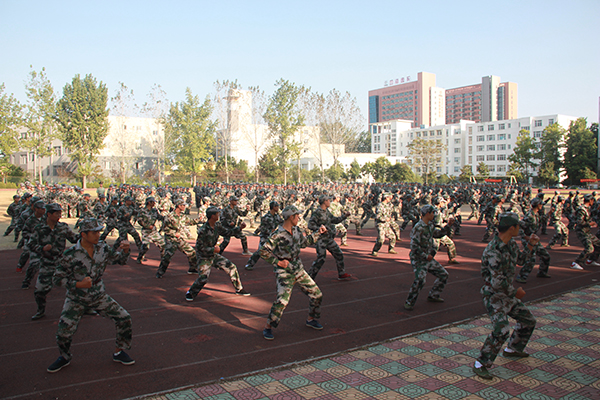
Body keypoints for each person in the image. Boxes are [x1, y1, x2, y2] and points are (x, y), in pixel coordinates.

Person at [47, 218, 134, 373]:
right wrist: (77, 284)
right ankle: (65, 357)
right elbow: (57, 279)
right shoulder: (70, 254)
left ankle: (119, 351)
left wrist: (126, 251)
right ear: (83, 234)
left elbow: (120, 260)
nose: (98, 235)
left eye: (99, 231)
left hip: (98, 295)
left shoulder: (102, 248)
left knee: (124, 318)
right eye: (94, 232)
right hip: (76, 298)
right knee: (63, 333)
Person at [473, 212, 538, 380]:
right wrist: (515, 293)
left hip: (506, 295)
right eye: (518, 226)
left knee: (528, 320)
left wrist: (531, 245)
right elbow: (496, 282)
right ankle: (481, 363)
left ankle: (513, 348)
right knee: (501, 330)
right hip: (494, 296)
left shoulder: (511, 244)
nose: (519, 229)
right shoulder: (494, 250)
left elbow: (521, 260)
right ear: (511, 228)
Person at [259, 205, 327, 340]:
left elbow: (305, 242)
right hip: (284, 271)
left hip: (298, 268)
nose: (299, 218)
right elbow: (263, 251)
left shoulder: (296, 230)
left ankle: (311, 319)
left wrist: (318, 233)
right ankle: (268, 327)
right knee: (282, 301)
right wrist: (278, 262)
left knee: (317, 294)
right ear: (291, 217)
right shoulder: (277, 234)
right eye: (297, 216)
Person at [185, 207, 250, 301]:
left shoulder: (217, 225)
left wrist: (239, 228)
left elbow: (228, 232)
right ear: (212, 216)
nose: (219, 215)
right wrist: (213, 249)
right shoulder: (203, 230)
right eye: (217, 214)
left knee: (231, 267)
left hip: (213, 255)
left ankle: (239, 289)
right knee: (203, 278)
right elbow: (199, 248)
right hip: (203, 257)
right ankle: (191, 293)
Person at [28, 203, 79, 320]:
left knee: (78, 285)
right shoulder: (39, 228)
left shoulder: (63, 227)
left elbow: (74, 239)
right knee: (40, 290)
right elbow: (31, 244)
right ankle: (40, 310)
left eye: (60, 213)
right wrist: (42, 248)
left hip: (62, 262)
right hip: (47, 263)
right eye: (57, 213)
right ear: (49, 214)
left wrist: (86, 235)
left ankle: (85, 307)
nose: (59, 216)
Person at [404, 204, 454, 311]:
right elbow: (414, 247)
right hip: (418, 259)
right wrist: (426, 256)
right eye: (432, 213)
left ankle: (434, 295)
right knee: (420, 280)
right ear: (427, 214)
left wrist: (448, 226)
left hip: (427, 258)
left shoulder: (430, 225)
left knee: (443, 275)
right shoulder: (418, 228)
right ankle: (409, 302)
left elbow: (438, 234)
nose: (434, 215)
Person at [307, 195, 352, 280]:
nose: (329, 202)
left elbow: (334, 220)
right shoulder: (317, 212)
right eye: (328, 200)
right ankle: (309, 278)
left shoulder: (326, 211)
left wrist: (344, 216)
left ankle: (341, 273)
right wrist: (319, 229)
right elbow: (310, 225)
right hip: (320, 240)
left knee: (339, 254)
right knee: (321, 259)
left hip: (328, 239)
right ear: (324, 202)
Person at [155, 199, 200, 278]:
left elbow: (190, 222)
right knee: (167, 257)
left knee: (192, 252)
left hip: (180, 240)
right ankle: (160, 272)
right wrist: (174, 234)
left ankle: (192, 269)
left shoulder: (183, 216)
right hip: (171, 240)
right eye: (183, 205)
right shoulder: (169, 216)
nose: (185, 207)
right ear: (179, 206)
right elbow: (165, 229)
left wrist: (199, 219)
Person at [245, 201, 283, 271]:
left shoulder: (277, 216)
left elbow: (282, 223)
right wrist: (270, 231)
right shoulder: (266, 217)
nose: (278, 208)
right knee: (260, 251)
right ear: (273, 207)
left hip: (273, 237)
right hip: (265, 236)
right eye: (277, 206)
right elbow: (262, 228)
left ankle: (282, 264)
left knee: (279, 250)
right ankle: (249, 264)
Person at [571, 194, 600, 270]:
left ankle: (591, 260)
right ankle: (576, 263)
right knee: (589, 248)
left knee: (598, 244)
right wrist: (589, 224)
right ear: (590, 200)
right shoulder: (582, 209)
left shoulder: (587, 208)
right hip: (581, 231)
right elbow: (579, 221)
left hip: (587, 231)